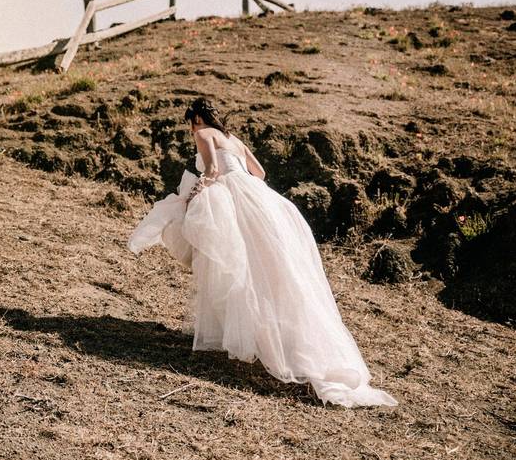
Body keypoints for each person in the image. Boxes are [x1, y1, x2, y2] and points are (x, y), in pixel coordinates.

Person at [129, 97, 397, 408]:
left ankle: (251, 336)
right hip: (260, 199)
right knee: (269, 266)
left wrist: (193, 195)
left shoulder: (203, 135)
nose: (191, 129)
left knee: (234, 263)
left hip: (233, 196)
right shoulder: (233, 138)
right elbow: (260, 173)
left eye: (191, 123)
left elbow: (213, 169)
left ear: (196, 119)